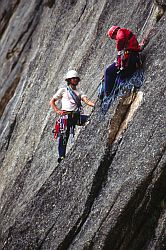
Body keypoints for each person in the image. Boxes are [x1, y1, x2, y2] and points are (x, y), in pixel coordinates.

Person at [50, 70, 95, 163]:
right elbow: (52, 101)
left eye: (76, 78)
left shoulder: (79, 92)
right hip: (66, 117)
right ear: (69, 80)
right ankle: (61, 156)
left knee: (90, 120)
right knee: (63, 137)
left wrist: (95, 105)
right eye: (72, 78)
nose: (74, 80)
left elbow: (86, 101)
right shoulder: (63, 90)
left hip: (75, 117)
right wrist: (58, 110)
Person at [104, 26, 146, 96]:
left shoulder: (120, 31)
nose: (115, 39)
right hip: (132, 60)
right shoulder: (127, 37)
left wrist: (119, 48)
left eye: (114, 37)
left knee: (108, 71)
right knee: (120, 75)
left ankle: (107, 92)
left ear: (114, 32)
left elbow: (120, 38)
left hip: (130, 60)